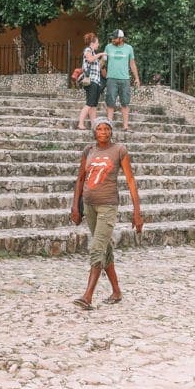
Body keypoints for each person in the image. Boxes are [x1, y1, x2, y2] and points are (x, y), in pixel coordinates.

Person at [69, 117, 143, 310]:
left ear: (111, 131)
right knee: (104, 247)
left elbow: (131, 180)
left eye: (107, 129)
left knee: (96, 248)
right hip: (89, 205)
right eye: (100, 129)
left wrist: (137, 212)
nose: (103, 132)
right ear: (94, 132)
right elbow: (80, 179)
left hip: (108, 205)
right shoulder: (88, 151)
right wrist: (75, 206)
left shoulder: (119, 150)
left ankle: (87, 296)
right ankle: (116, 291)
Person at [103, 29, 141, 131]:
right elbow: (103, 62)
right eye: (112, 38)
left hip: (125, 80)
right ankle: (109, 126)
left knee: (125, 103)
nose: (113, 39)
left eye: (115, 38)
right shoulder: (108, 47)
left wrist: (137, 78)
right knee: (110, 103)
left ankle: (125, 126)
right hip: (111, 79)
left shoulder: (129, 48)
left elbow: (132, 64)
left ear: (121, 38)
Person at [75, 33, 107, 131]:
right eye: (97, 42)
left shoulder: (93, 53)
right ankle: (80, 123)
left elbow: (98, 67)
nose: (98, 44)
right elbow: (90, 59)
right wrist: (100, 54)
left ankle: (93, 124)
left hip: (96, 82)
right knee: (89, 103)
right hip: (90, 81)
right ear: (92, 43)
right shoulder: (88, 50)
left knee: (93, 105)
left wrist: (102, 60)